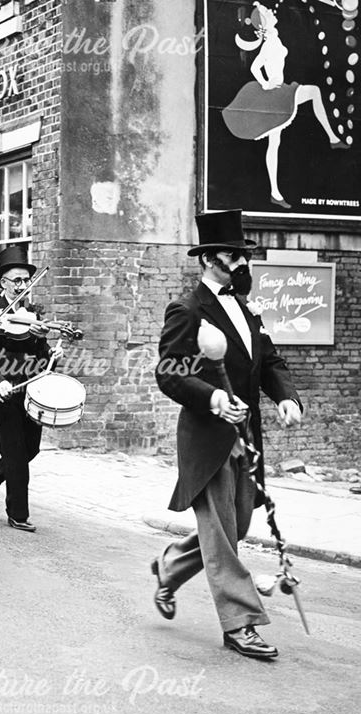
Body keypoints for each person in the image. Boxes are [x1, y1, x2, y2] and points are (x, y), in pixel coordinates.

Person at [152, 209, 302, 660]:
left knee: (233, 527)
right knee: (220, 531)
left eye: (243, 255)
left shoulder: (246, 310)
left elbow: (269, 362)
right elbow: (169, 372)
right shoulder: (188, 310)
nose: (241, 263)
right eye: (231, 255)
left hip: (248, 434)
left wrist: (286, 397)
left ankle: (168, 566)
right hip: (208, 437)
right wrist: (213, 398)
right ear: (208, 260)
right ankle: (241, 623)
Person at [222, 2, 347, 208]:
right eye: (268, 13)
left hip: (279, 91)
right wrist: (265, 82)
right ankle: (332, 138)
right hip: (277, 93)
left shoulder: (274, 39)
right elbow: (255, 66)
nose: (272, 12)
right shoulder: (269, 44)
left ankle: (275, 192)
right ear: (264, 23)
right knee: (314, 92)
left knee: (275, 144)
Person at [0, 244, 61, 532]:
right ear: (3, 283)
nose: (23, 285)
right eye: (17, 280)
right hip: (2, 389)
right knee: (14, 450)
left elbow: (40, 353)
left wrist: (49, 352)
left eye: (26, 280)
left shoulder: (34, 313)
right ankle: (18, 513)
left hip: (30, 388)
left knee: (31, 449)